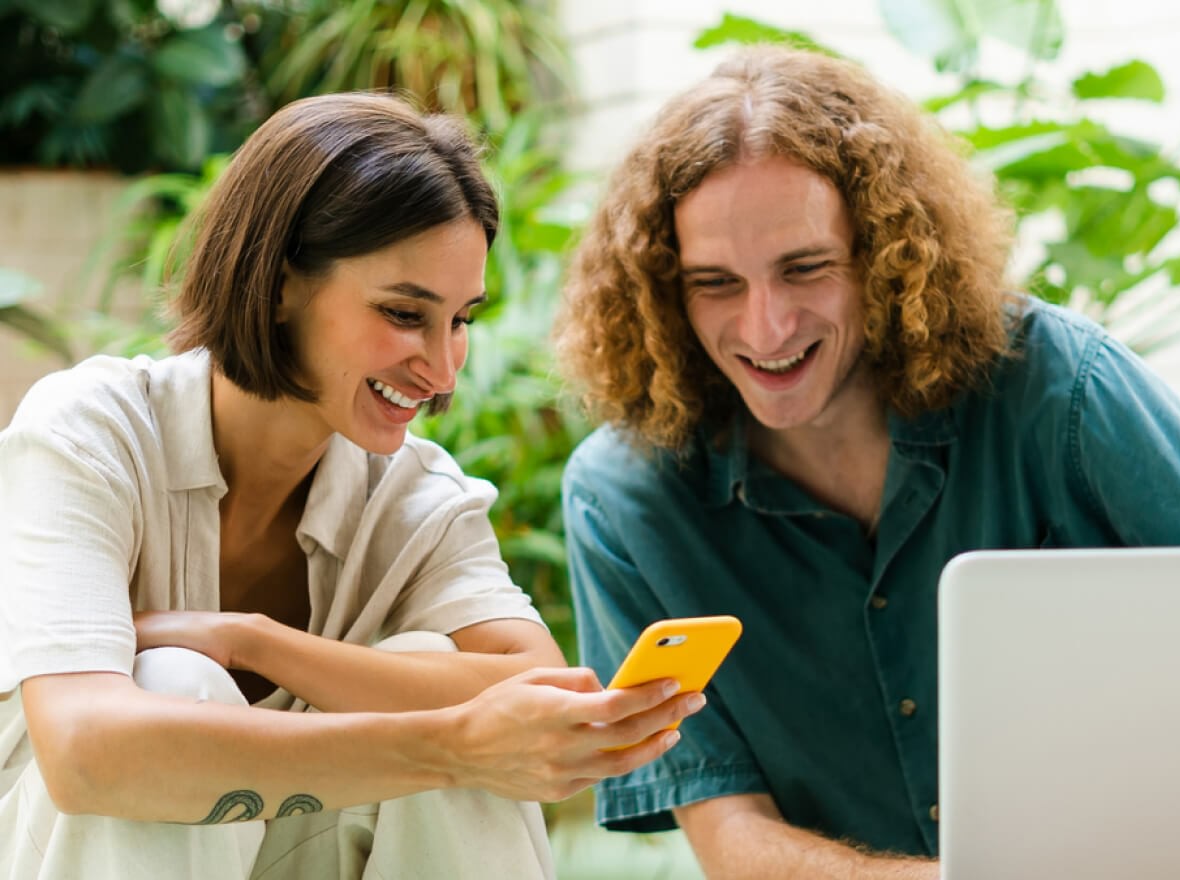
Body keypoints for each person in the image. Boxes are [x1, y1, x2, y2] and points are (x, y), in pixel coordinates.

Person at [552, 46, 1180, 879]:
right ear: (662, 289)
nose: (766, 326)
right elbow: (731, 838)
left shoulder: (1053, 388)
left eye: (805, 268)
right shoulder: (624, 501)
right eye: (715, 283)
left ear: (886, 255)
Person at [0, 92, 706, 880]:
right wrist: (453, 746)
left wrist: (254, 641)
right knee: (176, 685)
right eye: (405, 313)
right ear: (277, 283)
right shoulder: (89, 433)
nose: (441, 370)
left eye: (461, 320)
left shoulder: (415, 498)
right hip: (67, 851)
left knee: (445, 695)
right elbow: (87, 754)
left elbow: (532, 686)